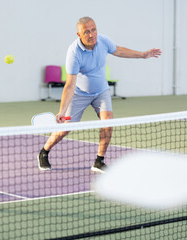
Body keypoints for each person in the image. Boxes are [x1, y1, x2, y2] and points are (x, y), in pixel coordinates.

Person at [37, 17, 162, 173]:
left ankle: (99, 160)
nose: (91, 34)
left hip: (101, 91)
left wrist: (142, 55)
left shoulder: (103, 41)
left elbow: (119, 50)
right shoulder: (74, 53)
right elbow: (69, 85)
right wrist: (62, 111)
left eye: (93, 29)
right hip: (79, 94)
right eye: (87, 32)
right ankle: (45, 151)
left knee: (108, 122)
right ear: (79, 34)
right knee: (65, 129)